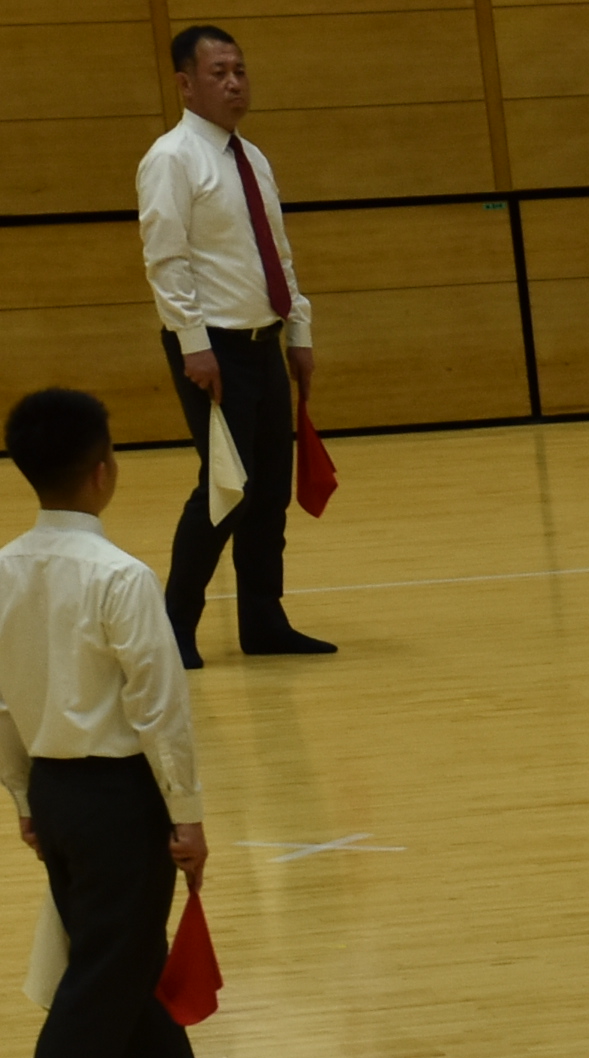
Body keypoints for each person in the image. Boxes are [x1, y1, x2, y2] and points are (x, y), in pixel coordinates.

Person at [5, 390, 256, 1058]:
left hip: (55, 788)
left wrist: (24, 798)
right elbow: (159, 709)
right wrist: (187, 815)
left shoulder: (3, 570)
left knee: (128, 957)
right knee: (106, 970)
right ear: (104, 470)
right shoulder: (120, 576)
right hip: (117, 798)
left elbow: (1, 703)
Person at [137, 27, 328, 667]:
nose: (234, 83)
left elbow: (278, 255)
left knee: (269, 489)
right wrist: (194, 345)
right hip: (212, 349)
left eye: (240, 70)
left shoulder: (252, 158)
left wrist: (297, 332)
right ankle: (173, 628)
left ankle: (263, 622)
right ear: (185, 84)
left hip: (263, 343)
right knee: (225, 489)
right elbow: (166, 261)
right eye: (218, 72)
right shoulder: (172, 158)